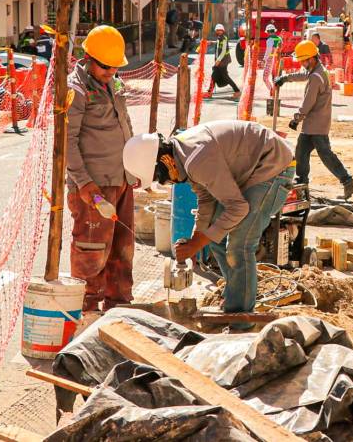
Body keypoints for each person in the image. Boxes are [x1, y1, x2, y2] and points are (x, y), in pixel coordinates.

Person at [122, 121, 295, 326]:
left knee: (239, 246)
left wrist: (199, 242)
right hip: (253, 167)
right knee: (214, 238)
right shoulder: (183, 155)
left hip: (274, 166)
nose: (166, 183)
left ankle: (240, 321)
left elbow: (238, 208)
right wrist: (197, 238)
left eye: (162, 178)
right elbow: (206, 198)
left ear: (165, 161)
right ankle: (235, 298)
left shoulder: (196, 158)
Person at [66, 25, 135, 313]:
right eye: (106, 66)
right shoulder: (76, 89)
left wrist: (133, 169)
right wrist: (84, 184)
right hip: (93, 186)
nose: (111, 72)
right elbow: (67, 141)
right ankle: (87, 310)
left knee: (122, 249)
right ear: (88, 57)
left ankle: (119, 307)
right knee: (91, 251)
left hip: (120, 179)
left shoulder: (113, 84)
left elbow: (124, 125)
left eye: (115, 67)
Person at [275, 40, 353, 199]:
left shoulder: (316, 77)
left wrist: (296, 119)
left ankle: (348, 182)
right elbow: (302, 75)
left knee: (325, 154)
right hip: (313, 124)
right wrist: (285, 78)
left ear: (311, 58)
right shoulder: (318, 70)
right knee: (301, 153)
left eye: (302, 61)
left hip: (316, 125)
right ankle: (302, 184)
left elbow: (308, 102)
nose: (301, 63)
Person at [210, 23, 240, 99]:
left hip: (223, 61)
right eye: (218, 30)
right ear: (216, 31)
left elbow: (223, 51)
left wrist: (218, 61)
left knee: (225, 77)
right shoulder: (219, 38)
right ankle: (209, 92)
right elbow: (217, 44)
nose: (219, 32)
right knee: (214, 76)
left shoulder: (223, 38)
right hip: (220, 60)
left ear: (223, 31)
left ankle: (237, 91)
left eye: (221, 30)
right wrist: (210, 43)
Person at [262, 23, 282, 92]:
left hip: (270, 59)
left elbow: (268, 51)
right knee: (275, 77)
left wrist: (264, 60)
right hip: (277, 59)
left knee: (265, 78)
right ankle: (275, 92)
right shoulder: (279, 39)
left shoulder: (270, 40)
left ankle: (272, 91)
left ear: (268, 32)